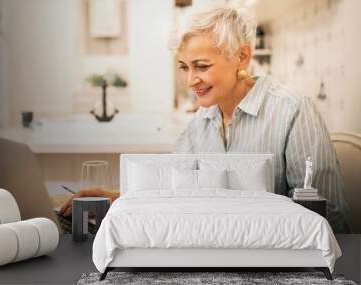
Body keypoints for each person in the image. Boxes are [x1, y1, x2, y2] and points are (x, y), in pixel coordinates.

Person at [60, 4, 350, 233]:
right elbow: (170, 190)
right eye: (184, 67)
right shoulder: (200, 123)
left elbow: (329, 219)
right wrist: (111, 198)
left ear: (242, 57)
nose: (190, 80)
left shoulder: (293, 110)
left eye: (201, 66)